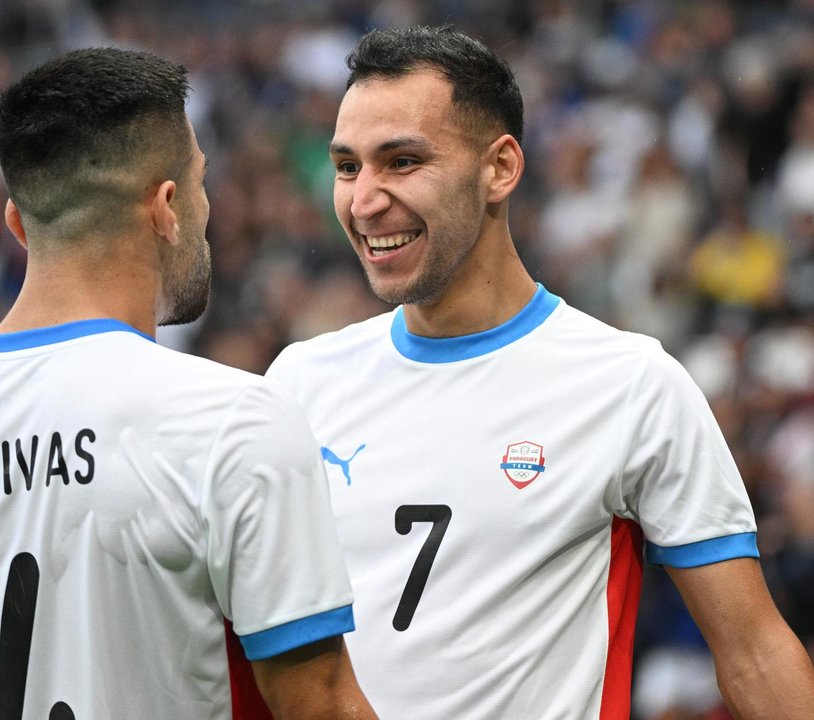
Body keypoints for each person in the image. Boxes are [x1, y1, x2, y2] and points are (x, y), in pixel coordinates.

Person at [266, 25, 814, 720]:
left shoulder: (628, 384)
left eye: (402, 162)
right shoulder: (299, 381)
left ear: (500, 168)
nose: (364, 200)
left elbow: (756, 655)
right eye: (348, 167)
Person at [0, 47, 377, 720]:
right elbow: (321, 707)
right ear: (168, 206)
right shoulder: (233, 422)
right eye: (203, 184)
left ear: (16, 225)